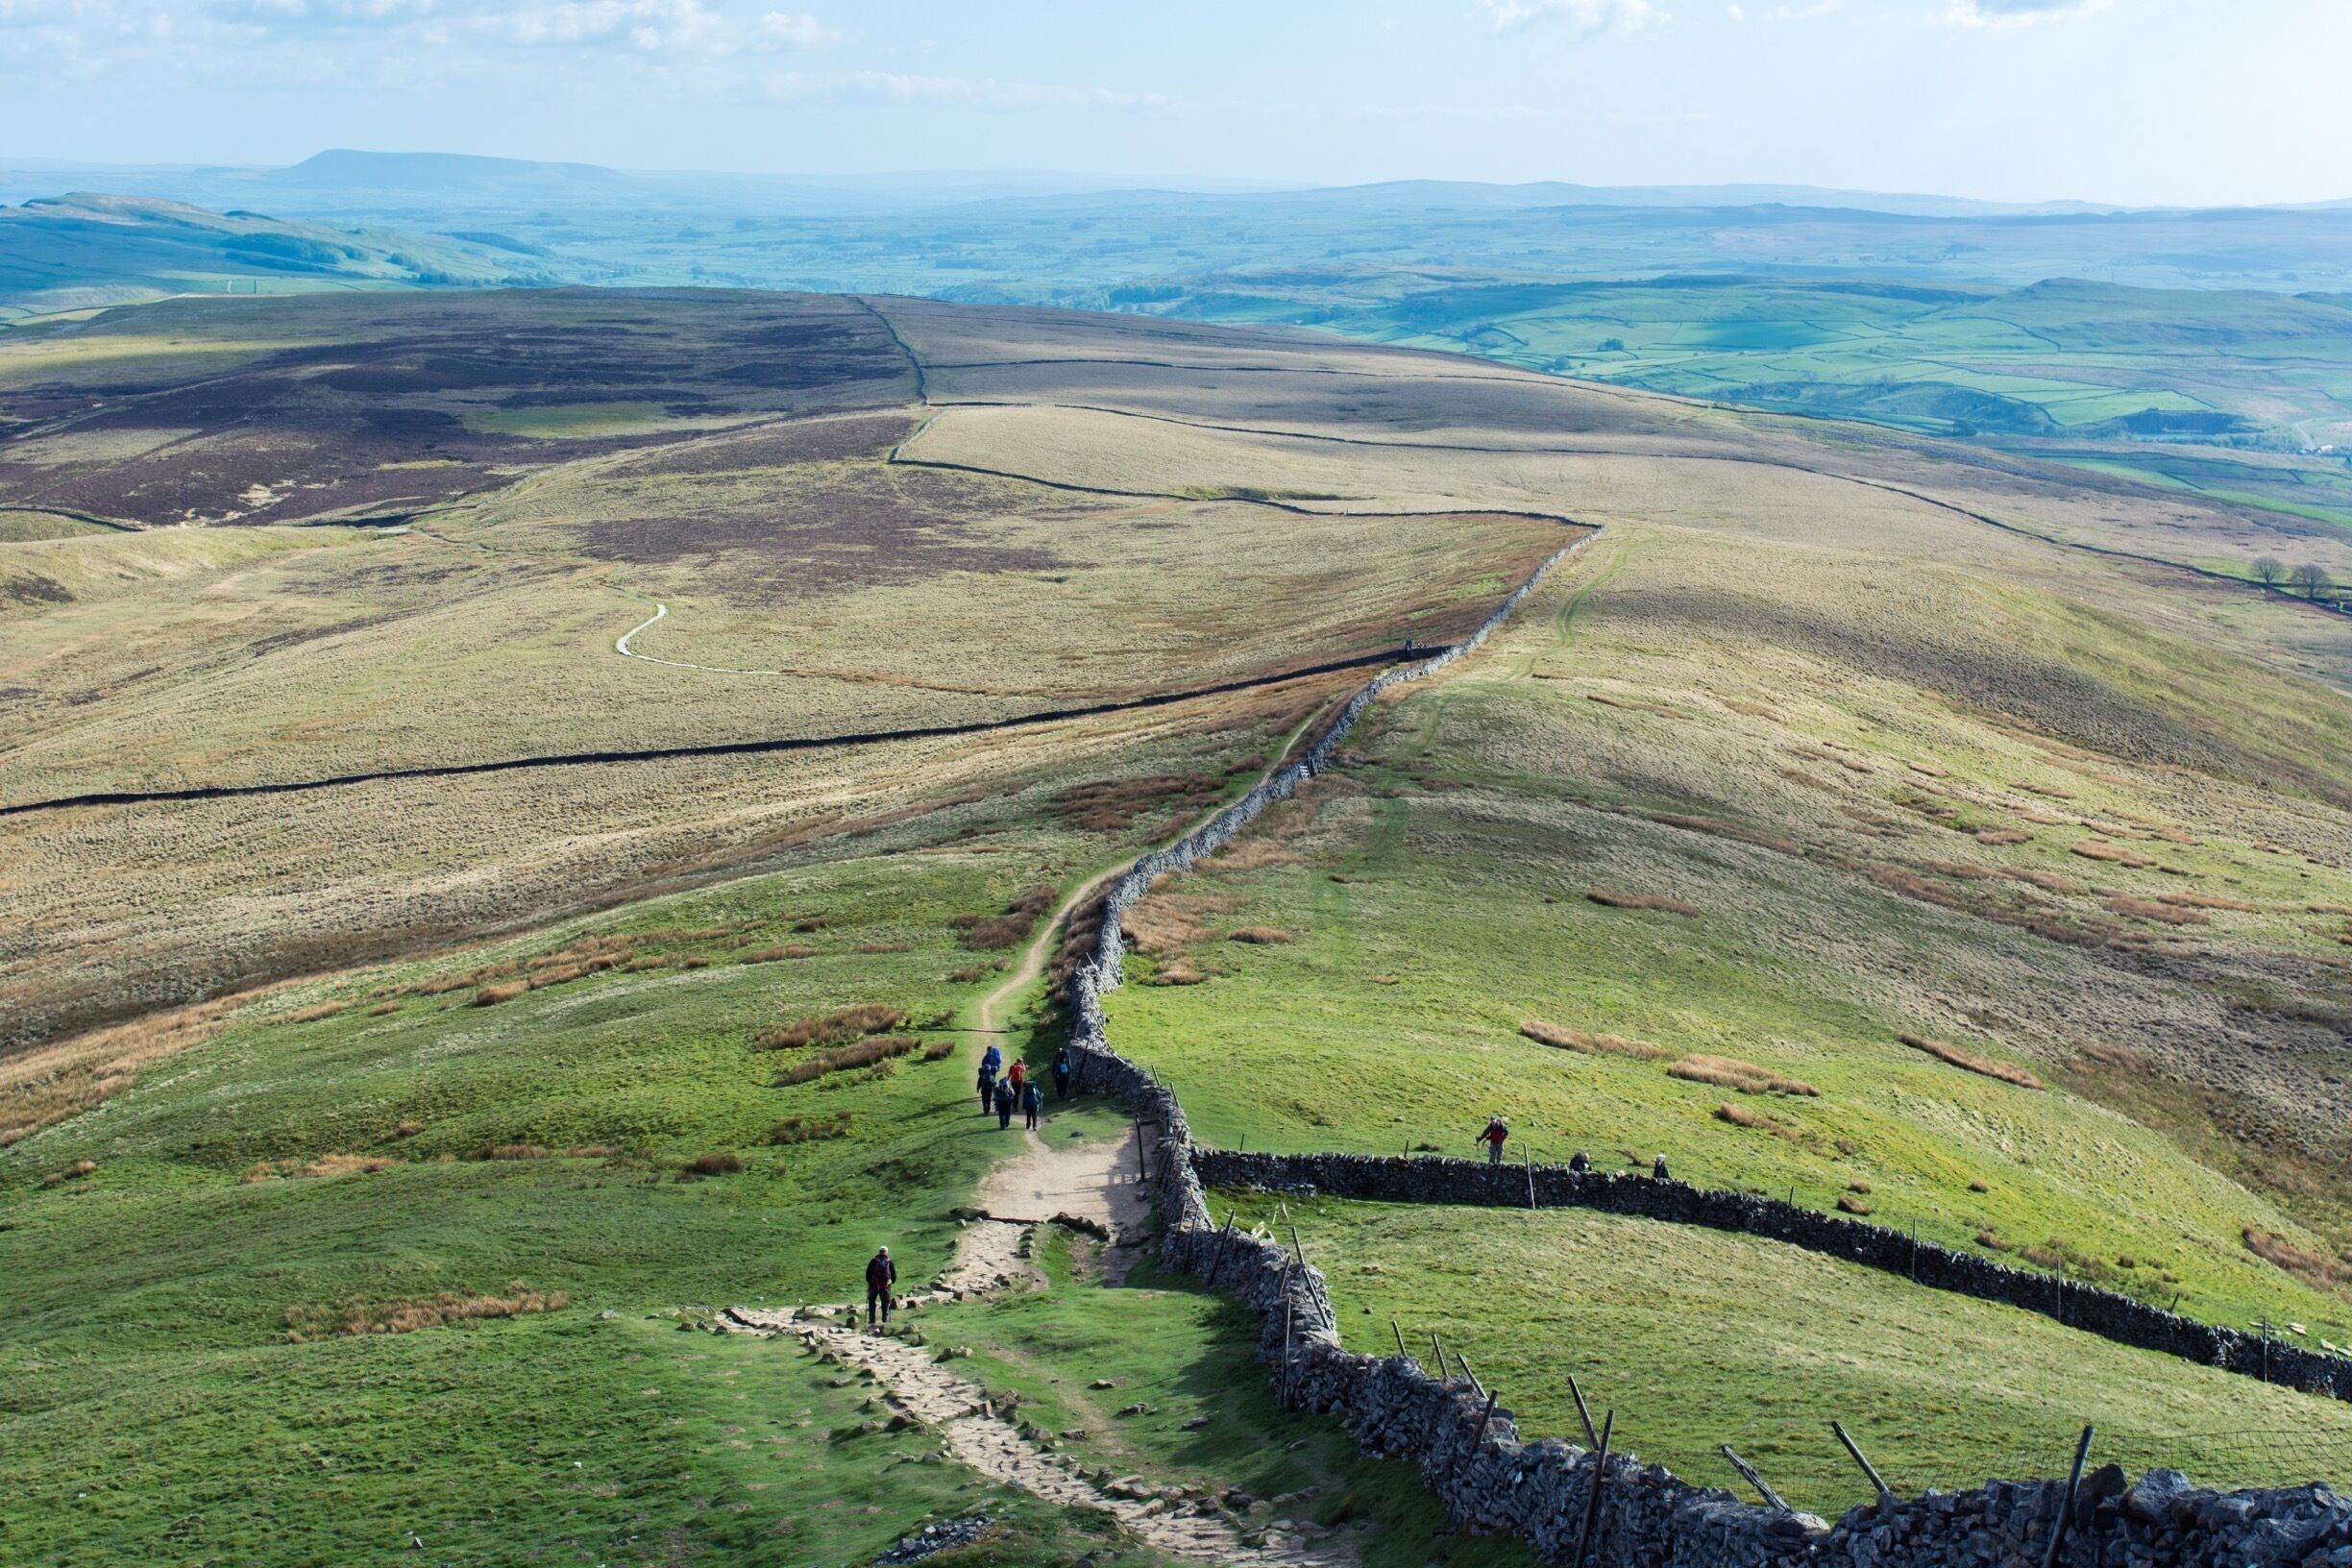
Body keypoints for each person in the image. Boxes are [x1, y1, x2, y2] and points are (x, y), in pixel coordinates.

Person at [865, 1246, 897, 1329]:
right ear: (886, 1252)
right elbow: (894, 1275)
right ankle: (885, 1320)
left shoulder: (873, 1261)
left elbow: (868, 1273)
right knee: (885, 1302)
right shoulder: (889, 1261)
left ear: (879, 1252)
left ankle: (872, 1320)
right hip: (885, 1285)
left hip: (874, 1285)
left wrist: (869, 1281)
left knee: (871, 1301)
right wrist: (891, 1282)